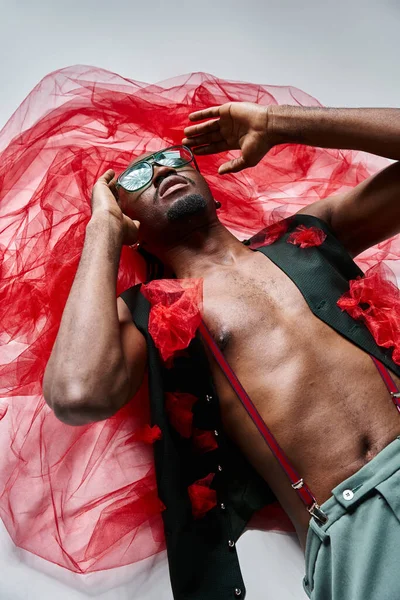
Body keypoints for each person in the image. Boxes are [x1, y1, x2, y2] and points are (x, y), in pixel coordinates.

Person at [42, 101, 400, 600]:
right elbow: (78, 393)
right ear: (124, 216)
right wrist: (101, 232)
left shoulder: (307, 236)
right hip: (354, 525)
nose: (162, 169)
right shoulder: (146, 312)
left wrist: (279, 124)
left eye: (171, 157)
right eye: (136, 175)